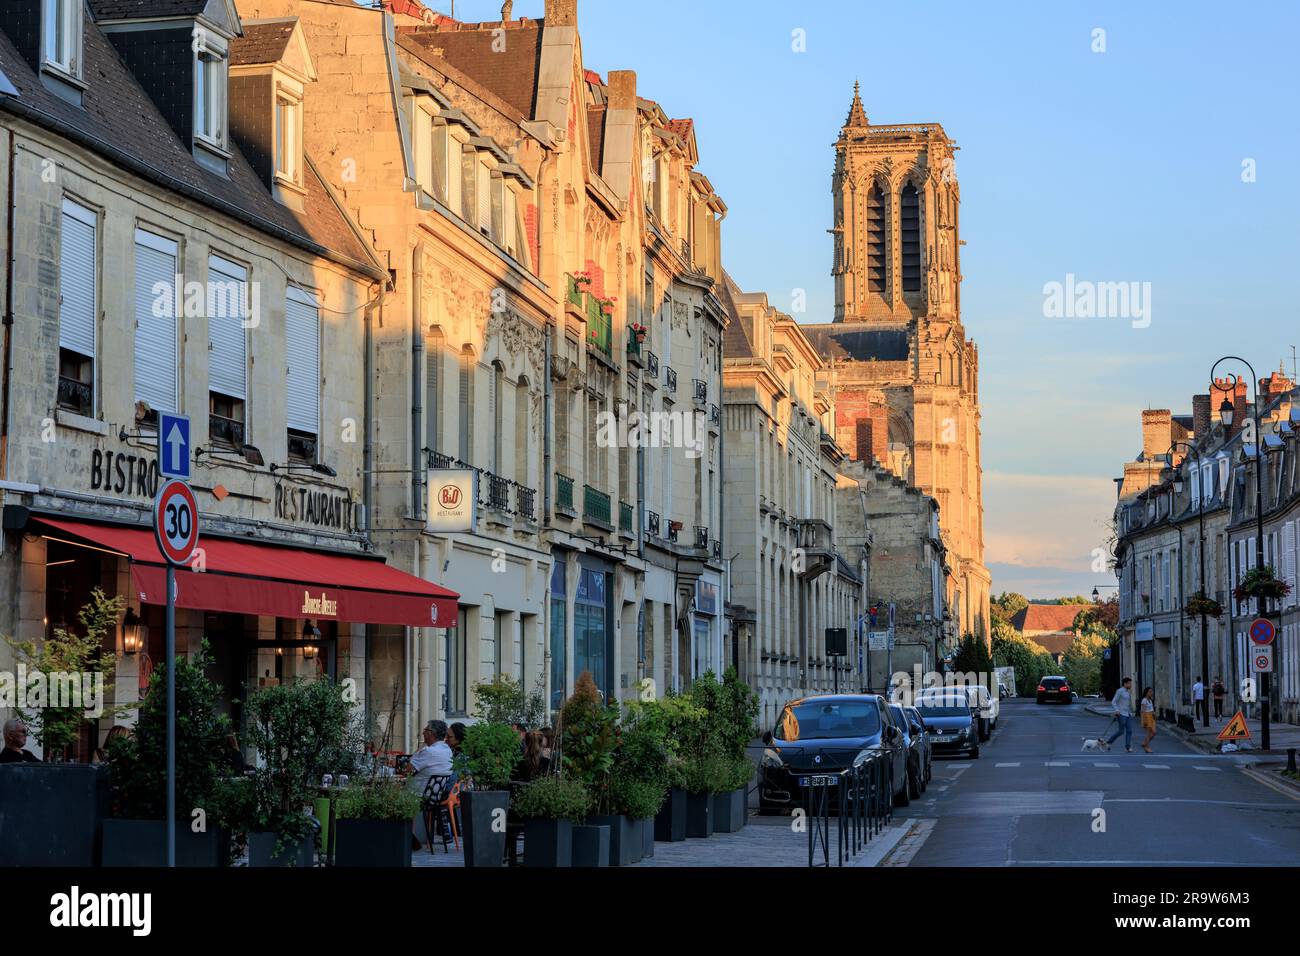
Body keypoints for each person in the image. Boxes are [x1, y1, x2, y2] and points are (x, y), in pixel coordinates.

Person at [407, 720, 454, 845]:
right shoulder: (447, 750)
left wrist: (421, 748)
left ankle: (404, 837)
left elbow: (408, 769)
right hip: (436, 796)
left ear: (431, 733)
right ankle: (408, 836)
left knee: (390, 796)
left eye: (425, 730)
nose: (423, 732)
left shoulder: (428, 751)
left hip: (419, 796)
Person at [1102, 677, 1135, 752]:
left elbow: (1127, 704)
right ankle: (1109, 742)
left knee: (1129, 731)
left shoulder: (1127, 692)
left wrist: (1131, 712)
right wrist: (1116, 710)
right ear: (1125, 683)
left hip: (1128, 714)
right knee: (1121, 731)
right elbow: (1114, 701)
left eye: (1131, 683)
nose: (1131, 685)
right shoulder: (1120, 691)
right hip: (1121, 714)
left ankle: (1128, 747)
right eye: (1129, 683)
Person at [1139, 686, 1157, 753]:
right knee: (1148, 733)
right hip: (1147, 716)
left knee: (1154, 732)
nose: (1151, 693)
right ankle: (1147, 747)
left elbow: (1151, 709)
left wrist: (1154, 714)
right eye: (1150, 691)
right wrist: (1143, 720)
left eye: (1151, 691)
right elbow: (1142, 711)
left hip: (1151, 717)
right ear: (1146, 692)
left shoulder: (1150, 700)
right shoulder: (1144, 700)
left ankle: (1144, 743)